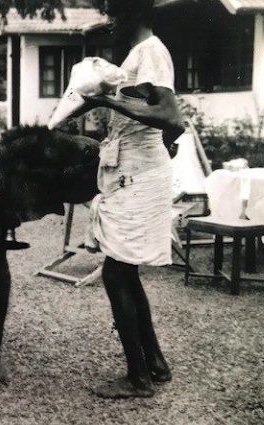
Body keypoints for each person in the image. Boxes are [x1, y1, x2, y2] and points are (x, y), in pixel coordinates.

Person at [76, 0, 185, 398]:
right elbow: (167, 123)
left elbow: (171, 116)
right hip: (134, 169)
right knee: (125, 271)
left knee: (115, 273)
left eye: (116, 16)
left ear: (135, 15)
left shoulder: (151, 50)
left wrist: (106, 100)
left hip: (140, 174)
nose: (111, 24)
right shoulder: (140, 54)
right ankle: (153, 363)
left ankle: (138, 379)